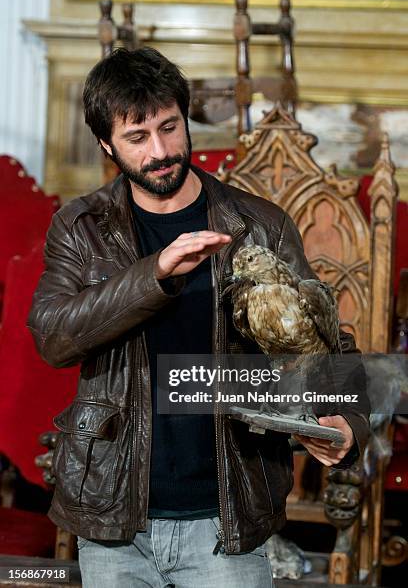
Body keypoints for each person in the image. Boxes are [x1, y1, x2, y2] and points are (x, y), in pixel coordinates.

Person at [28, 47, 370, 588]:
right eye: (138, 138)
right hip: (115, 517)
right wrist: (155, 274)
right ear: (106, 144)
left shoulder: (259, 224)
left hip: (226, 518)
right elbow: (53, 338)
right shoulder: (81, 226)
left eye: (170, 127)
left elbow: (325, 346)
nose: (161, 151)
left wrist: (344, 423)